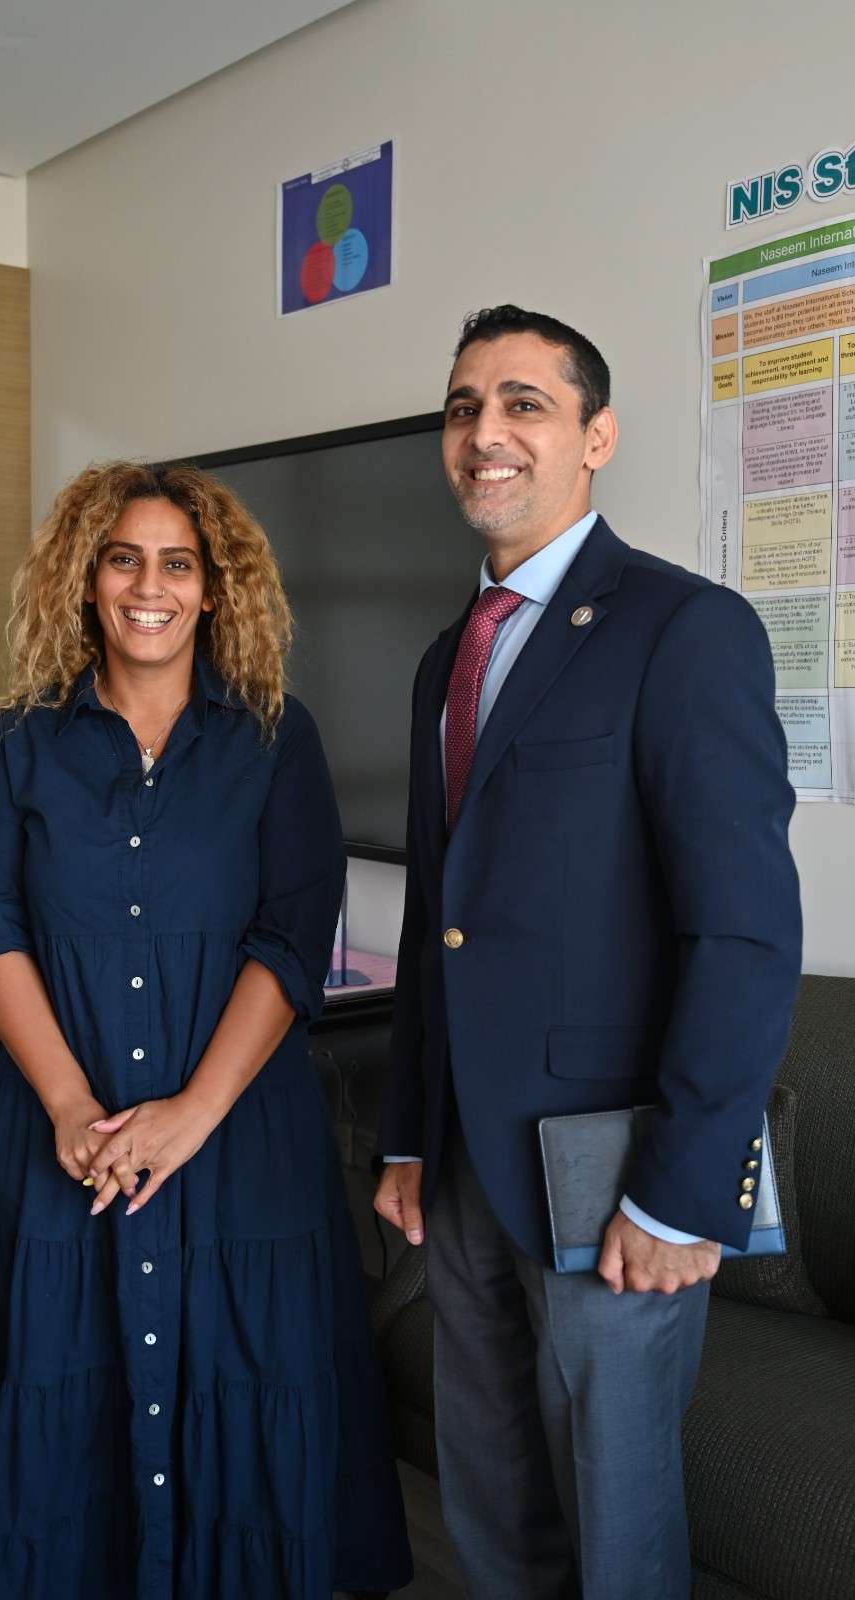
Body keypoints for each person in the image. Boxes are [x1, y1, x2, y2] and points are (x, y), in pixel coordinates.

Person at [0, 460, 412, 1600]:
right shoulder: (19, 742)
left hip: (240, 1143)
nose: (151, 586)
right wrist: (69, 1104)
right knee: (63, 1403)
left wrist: (190, 1114)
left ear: (214, 588)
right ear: (86, 582)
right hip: (60, 1147)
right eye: (124, 558)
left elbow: (292, 936)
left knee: (242, 1391)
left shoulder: (279, 738)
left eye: (178, 563)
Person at [374, 305, 802, 1599]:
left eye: (522, 404)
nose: (484, 433)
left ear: (594, 435)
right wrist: (407, 1132)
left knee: (617, 1530)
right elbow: (437, 918)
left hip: (618, 1179)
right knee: (490, 1504)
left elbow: (741, 930)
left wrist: (686, 1191)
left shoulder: (683, 629)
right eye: (462, 407)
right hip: (461, 1168)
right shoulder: (448, 655)